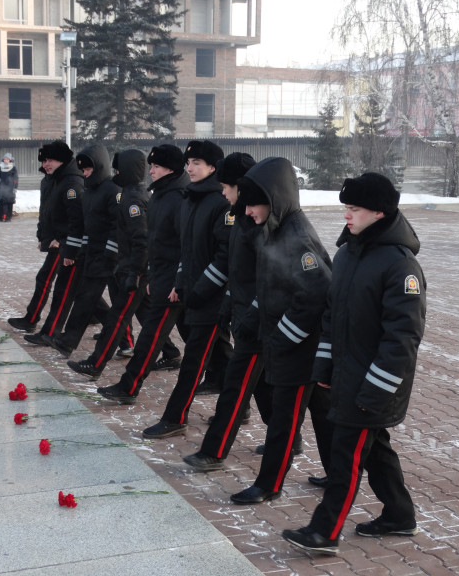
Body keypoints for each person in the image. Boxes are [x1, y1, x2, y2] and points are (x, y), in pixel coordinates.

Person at [282, 172, 426, 556]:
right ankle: (400, 514)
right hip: (347, 377)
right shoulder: (348, 253)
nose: (347, 215)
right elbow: (331, 316)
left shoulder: (400, 265)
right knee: (375, 451)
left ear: (378, 213)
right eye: (346, 207)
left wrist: (376, 389)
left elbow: (403, 337)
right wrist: (324, 367)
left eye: (355, 208)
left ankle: (324, 531)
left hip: (374, 385)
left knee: (345, 459)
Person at [226, 157, 332, 504]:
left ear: (274, 199)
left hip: (298, 347)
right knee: (325, 417)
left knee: (283, 422)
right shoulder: (275, 229)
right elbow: (273, 286)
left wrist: (282, 337)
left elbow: (315, 296)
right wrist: (255, 318)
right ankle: (339, 474)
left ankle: (268, 484)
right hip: (286, 344)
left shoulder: (298, 238)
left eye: (253, 204)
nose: (248, 211)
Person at [182, 152, 273, 471]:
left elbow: (269, 281)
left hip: (258, 323)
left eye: (227, 186)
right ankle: (286, 438)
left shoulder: (260, 224)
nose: (222, 192)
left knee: (235, 387)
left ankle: (213, 451)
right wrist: (226, 304)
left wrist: (250, 313)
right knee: (261, 384)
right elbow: (236, 270)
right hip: (244, 316)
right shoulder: (240, 219)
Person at [142, 140, 231, 439]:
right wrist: (180, 283)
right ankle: (240, 407)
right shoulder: (191, 198)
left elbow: (225, 256)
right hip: (194, 292)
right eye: (188, 162)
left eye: (196, 163)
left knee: (193, 360)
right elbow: (186, 249)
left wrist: (200, 289)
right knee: (224, 355)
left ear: (212, 168)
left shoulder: (220, 202)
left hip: (212, 296)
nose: (189, 168)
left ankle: (174, 417)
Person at [96, 144, 188, 404]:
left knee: (196, 342)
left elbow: (185, 246)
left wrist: (177, 282)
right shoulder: (159, 194)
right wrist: (149, 274)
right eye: (151, 165)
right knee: (152, 335)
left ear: (170, 169)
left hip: (176, 283)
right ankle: (128, 386)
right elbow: (154, 242)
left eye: (157, 166)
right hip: (162, 279)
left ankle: (129, 387)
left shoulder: (179, 197)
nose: (151, 170)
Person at [67, 149, 149, 379]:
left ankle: (96, 363)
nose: (115, 173)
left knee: (117, 318)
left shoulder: (133, 198)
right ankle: (171, 352)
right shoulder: (129, 194)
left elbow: (140, 240)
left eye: (119, 169)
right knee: (149, 318)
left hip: (134, 269)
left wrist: (134, 271)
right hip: (129, 267)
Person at [38, 144, 120, 358]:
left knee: (132, 307)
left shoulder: (111, 191)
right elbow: (82, 225)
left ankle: (129, 341)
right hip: (90, 253)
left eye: (89, 170)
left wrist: (109, 254)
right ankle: (67, 341)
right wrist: (73, 250)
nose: (85, 174)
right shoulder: (90, 190)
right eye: (83, 170)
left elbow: (116, 228)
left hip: (109, 257)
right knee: (85, 297)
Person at [9, 141, 83, 334]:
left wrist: (64, 241)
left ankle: (33, 320)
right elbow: (46, 212)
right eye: (43, 160)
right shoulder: (49, 180)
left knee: (48, 279)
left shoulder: (72, 182)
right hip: (54, 240)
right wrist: (43, 236)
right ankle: (97, 315)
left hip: (65, 242)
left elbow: (77, 218)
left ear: (62, 160)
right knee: (82, 290)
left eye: (49, 160)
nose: (45, 164)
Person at [0, 153, 18, 222]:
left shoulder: (13, 167)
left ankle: (7, 217)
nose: (6, 160)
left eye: (7, 159)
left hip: (10, 187)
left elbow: (15, 178)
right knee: (0, 201)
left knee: (9, 202)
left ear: (10, 160)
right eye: (5, 159)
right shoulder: (0, 167)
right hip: (2, 186)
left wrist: (15, 187)